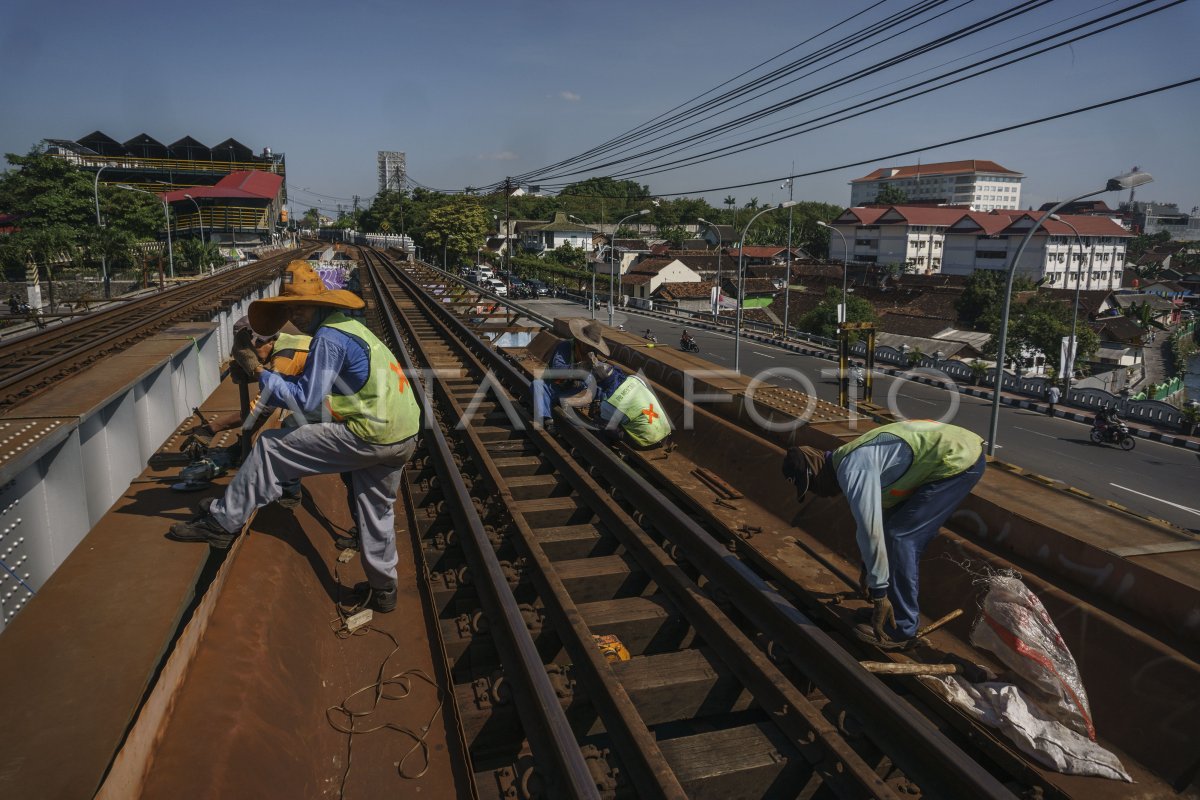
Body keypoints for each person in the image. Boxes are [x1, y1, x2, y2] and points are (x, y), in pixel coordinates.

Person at [168, 261, 422, 613]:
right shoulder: (353, 327)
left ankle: (222, 521)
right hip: (404, 434)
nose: (296, 315)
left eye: (300, 306)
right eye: (291, 308)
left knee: (272, 448)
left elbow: (304, 400)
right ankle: (384, 591)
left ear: (320, 303)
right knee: (376, 510)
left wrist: (260, 373)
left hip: (373, 434)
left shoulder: (328, 339)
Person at [781, 420, 986, 649]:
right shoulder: (852, 459)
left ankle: (901, 627)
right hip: (948, 450)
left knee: (901, 537)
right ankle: (892, 610)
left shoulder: (853, 467)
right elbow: (881, 518)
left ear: (816, 469)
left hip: (957, 459)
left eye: (812, 485)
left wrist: (878, 591)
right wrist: (870, 570)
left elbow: (869, 529)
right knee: (893, 531)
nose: (819, 493)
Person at [530, 318, 610, 434]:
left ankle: (598, 412)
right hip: (554, 388)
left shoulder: (592, 354)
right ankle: (547, 420)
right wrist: (577, 369)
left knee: (600, 377)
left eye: (592, 347)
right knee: (537, 385)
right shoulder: (565, 346)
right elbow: (557, 369)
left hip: (574, 392)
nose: (590, 349)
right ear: (581, 341)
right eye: (588, 346)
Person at [582, 362, 673, 449]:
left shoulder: (608, 405)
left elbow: (604, 418)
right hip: (665, 431)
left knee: (599, 423)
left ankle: (603, 448)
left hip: (646, 443)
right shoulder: (635, 379)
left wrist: (596, 412)